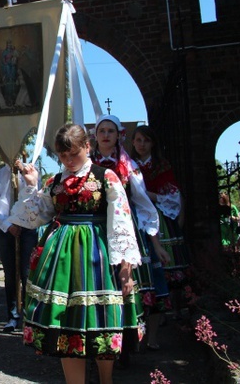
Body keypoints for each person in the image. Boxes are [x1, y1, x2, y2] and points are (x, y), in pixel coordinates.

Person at [9, 123, 142, 384]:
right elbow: (37, 217)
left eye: (74, 154)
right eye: (63, 156)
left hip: (98, 256)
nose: (69, 161)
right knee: (67, 323)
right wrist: (31, 186)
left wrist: (125, 267)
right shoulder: (55, 182)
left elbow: (121, 222)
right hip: (62, 260)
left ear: (87, 147)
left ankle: (106, 380)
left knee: (100, 320)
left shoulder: (106, 177)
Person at [91, 115, 170, 357]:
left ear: (118, 136)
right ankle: (104, 340)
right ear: (95, 136)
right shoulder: (88, 164)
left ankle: (133, 340)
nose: (106, 135)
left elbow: (144, 203)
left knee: (137, 285)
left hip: (128, 228)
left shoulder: (128, 166)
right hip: (97, 230)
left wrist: (155, 242)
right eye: (102, 131)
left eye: (110, 131)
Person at [130, 125, 191, 319]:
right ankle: (150, 309)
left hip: (159, 216)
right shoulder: (130, 165)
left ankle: (174, 309)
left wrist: (148, 195)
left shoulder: (161, 165)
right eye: (138, 140)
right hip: (136, 216)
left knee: (168, 265)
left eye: (146, 140)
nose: (142, 144)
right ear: (133, 142)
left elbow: (173, 196)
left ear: (152, 143)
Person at [0, 158, 37, 332]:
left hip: (27, 228)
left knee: (27, 273)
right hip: (6, 229)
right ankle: (12, 315)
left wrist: (21, 221)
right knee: (11, 273)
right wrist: (8, 225)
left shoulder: (29, 172)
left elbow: (34, 198)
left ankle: (29, 316)